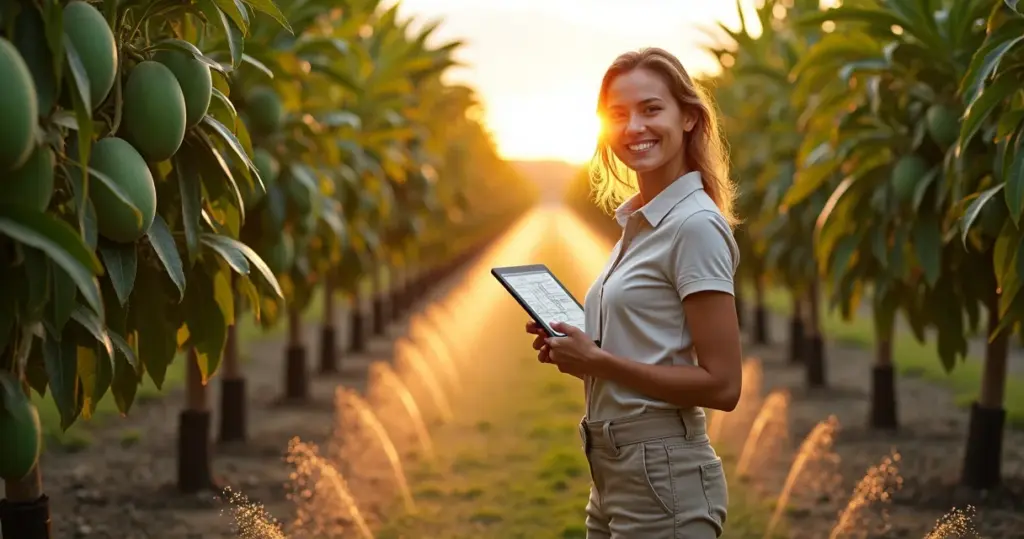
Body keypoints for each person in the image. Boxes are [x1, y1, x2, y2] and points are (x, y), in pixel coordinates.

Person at [526, 47, 743, 538]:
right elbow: (647, 346)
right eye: (618, 115)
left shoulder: (695, 226)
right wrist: (579, 348)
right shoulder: (639, 224)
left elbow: (724, 386)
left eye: (651, 109)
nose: (634, 127)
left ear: (688, 117)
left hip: (663, 475)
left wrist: (600, 363)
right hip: (612, 471)